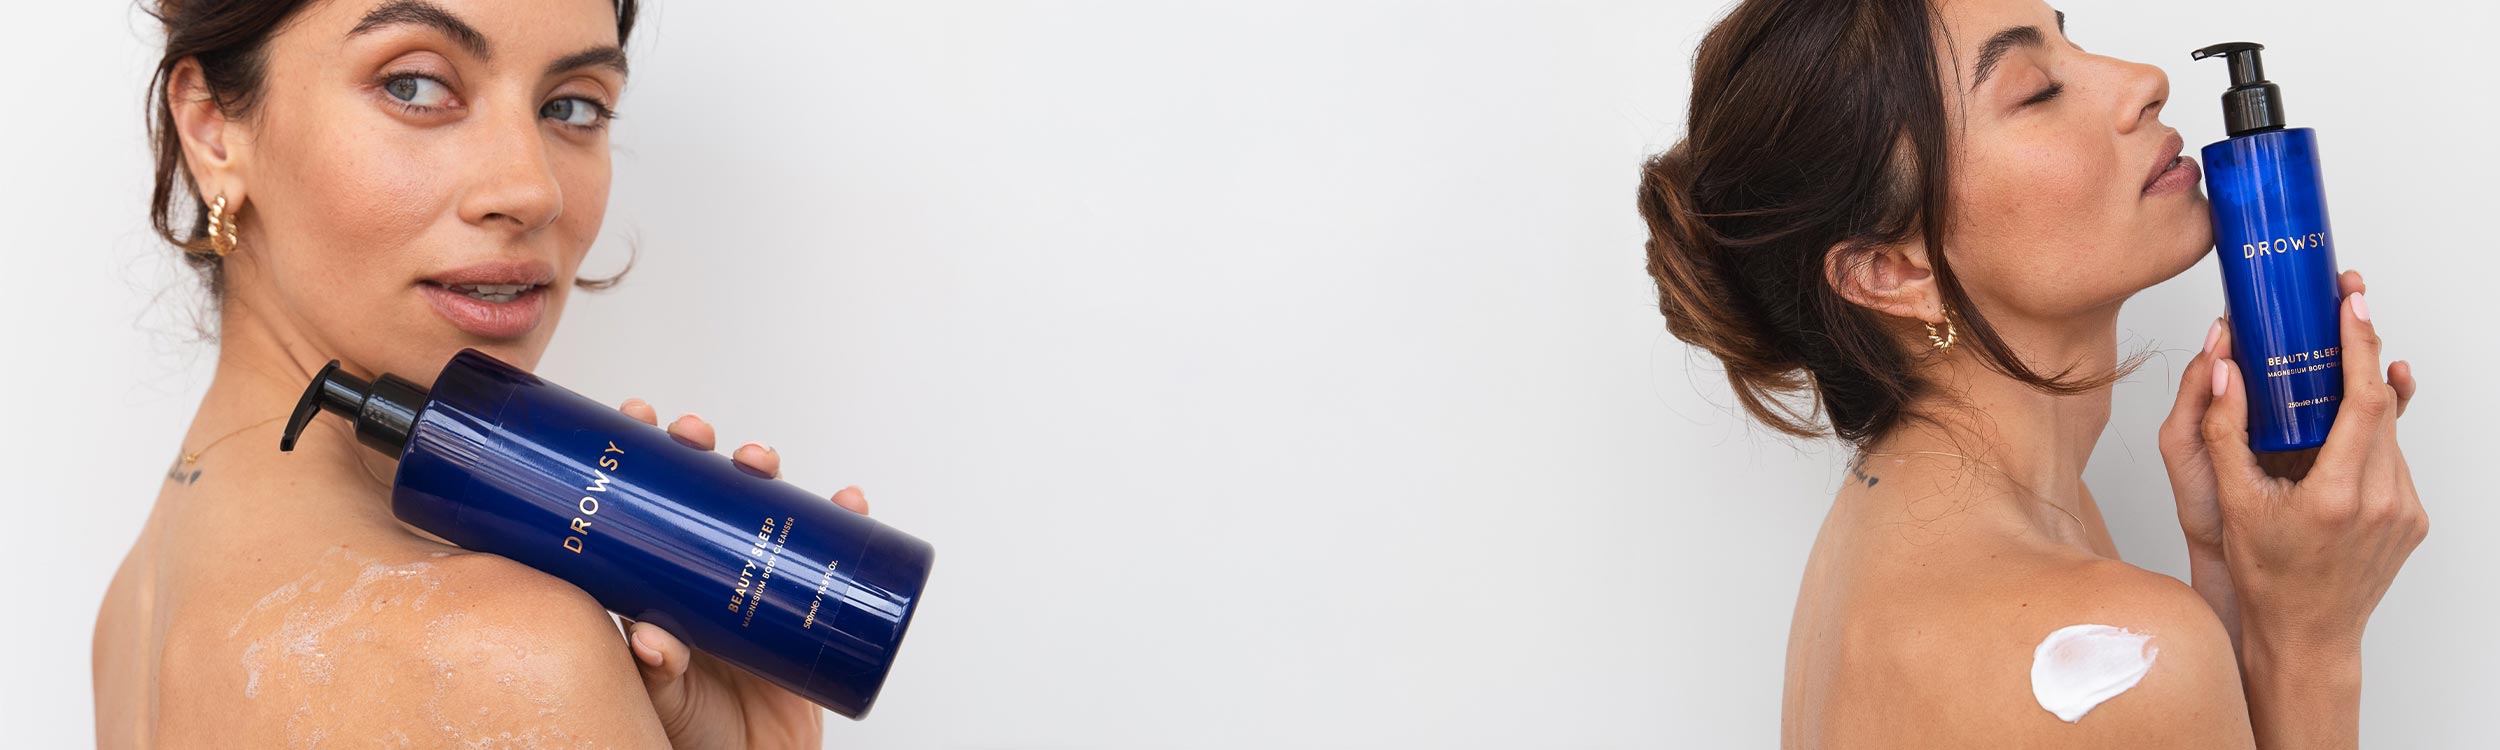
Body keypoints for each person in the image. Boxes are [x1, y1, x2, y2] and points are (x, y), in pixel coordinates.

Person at [1636, 0, 2427, 746]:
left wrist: (2235, 579)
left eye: (2068, 35)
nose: (2144, 80)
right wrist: (2310, 644)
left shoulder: (1923, 535)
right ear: (1891, 269)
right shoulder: (2091, 639)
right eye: (2038, 91)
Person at [91, 1, 858, 746]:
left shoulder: (136, 604)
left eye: (573, 107)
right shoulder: (502, 655)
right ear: (210, 125)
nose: (533, 191)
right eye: (414, 86)